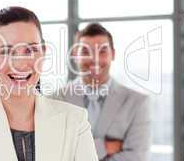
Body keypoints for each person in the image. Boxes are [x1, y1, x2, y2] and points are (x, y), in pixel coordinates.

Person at [0, 7, 99, 161]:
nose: (20, 64)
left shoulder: (75, 120)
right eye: (7, 51)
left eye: (29, 50)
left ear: (43, 53)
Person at [51, 23, 151, 161]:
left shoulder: (137, 103)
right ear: (75, 55)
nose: (94, 59)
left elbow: (137, 157)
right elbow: (52, 155)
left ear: (113, 54)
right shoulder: (54, 100)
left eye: (102, 51)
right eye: (86, 52)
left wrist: (77, 151)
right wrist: (104, 146)